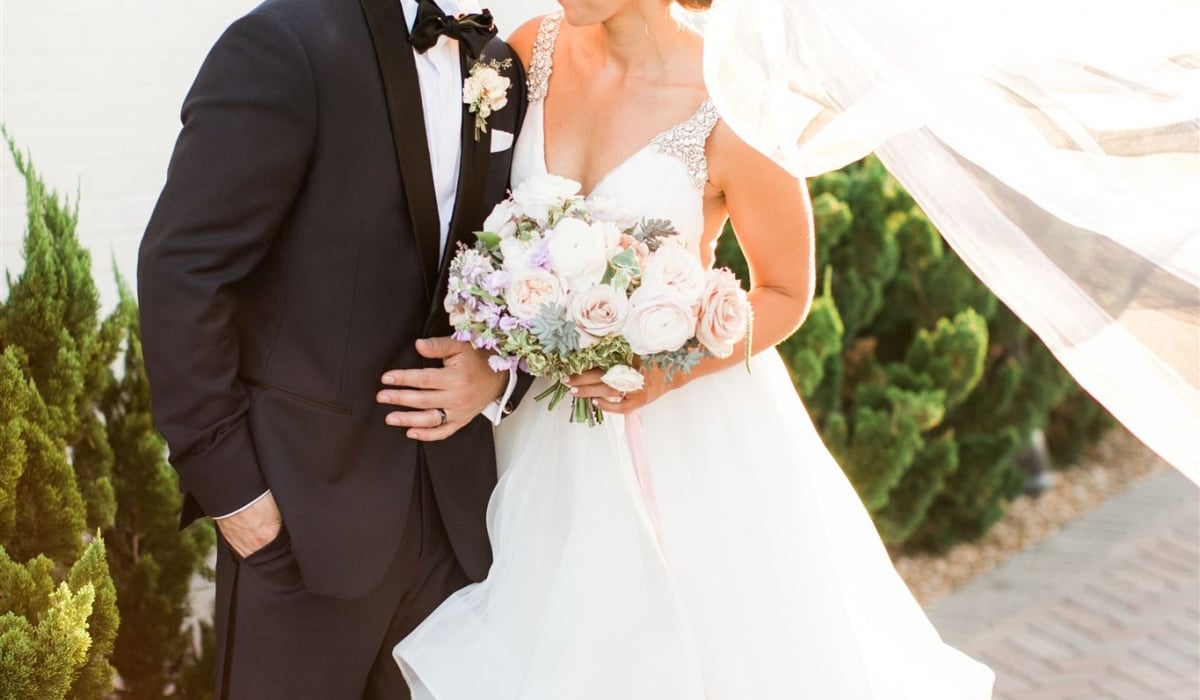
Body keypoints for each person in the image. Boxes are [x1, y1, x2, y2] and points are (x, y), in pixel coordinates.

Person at [391, 1, 996, 697]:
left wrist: (659, 374)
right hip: (531, 432)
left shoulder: (734, 103)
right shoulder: (531, 49)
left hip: (678, 433)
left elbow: (785, 292)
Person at [136, 0, 532, 696]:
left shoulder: (497, 65)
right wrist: (232, 490)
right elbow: (184, 272)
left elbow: (526, 262)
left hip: (456, 524)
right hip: (301, 521)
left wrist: (502, 378)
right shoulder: (284, 43)